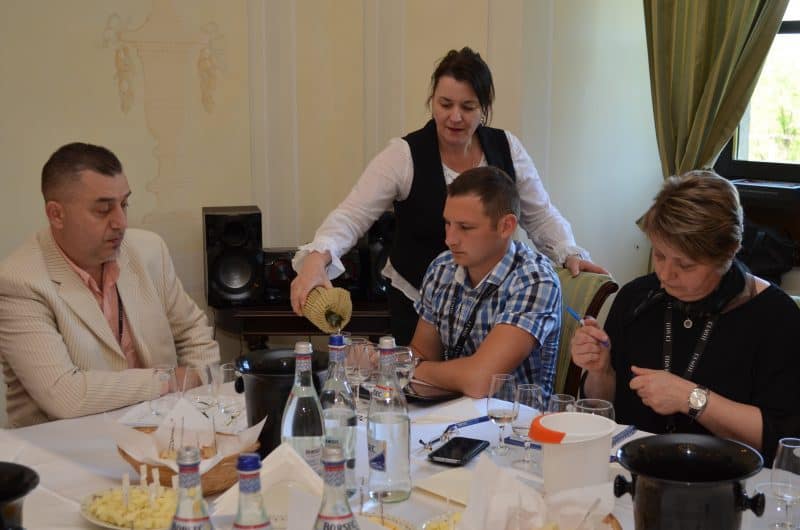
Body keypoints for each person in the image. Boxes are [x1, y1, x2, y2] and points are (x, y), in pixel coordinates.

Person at [290, 47, 605, 345]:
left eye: (468, 107)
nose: (455, 117)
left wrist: (568, 251)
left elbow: (540, 214)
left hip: (491, 307)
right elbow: (351, 215)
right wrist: (317, 259)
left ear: (484, 109)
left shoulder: (506, 147)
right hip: (417, 305)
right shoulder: (403, 155)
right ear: (432, 102)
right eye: (445, 104)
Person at [572, 171, 800, 465]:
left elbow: (782, 439)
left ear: (729, 253)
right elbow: (606, 409)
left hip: (727, 478)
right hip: (634, 469)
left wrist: (692, 399)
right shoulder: (636, 298)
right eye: (659, 255)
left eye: (686, 265)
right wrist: (600, 371)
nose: (666, 275)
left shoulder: (776, 317)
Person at [0, 142, 220, 428]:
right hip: (65, 445)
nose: (121, 222)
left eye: (124, 204)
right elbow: (65, 395)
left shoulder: (148, 250)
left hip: (164, 432)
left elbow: (192, 331)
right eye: (103, 210)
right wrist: (168, 380)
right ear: (56, 214)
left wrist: (199, 395)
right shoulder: (19, 281)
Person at [408, 166, 561, 398]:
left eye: (465, 227)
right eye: (448, 223)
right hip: (450, 408)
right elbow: (421, 352)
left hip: (515, 417)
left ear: (506, 226)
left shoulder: (534, 279)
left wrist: (409, 369)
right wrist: (383, 360)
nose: (450, 239)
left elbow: (481, 381)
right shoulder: (442, 267)